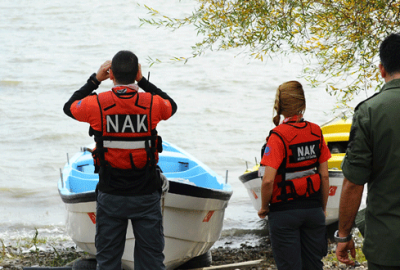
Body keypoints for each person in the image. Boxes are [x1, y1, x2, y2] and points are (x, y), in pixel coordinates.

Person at [63, 50, 177, 270]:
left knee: (107, 262)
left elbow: (69, 107)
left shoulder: (97, 104)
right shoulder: (151, 103)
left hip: (111, 195)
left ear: (111, 74)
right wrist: (143, 81)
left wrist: (95, 80)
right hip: (146, 194)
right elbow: (171, 104)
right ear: (136, 74)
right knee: (152, 262)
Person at [336, 33, 400, 269]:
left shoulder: (369, 112)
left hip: (388, 244)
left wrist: (343, 235)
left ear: (382, 69)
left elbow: (353, 183)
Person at [258, 81, 331, 270]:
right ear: (303, 104)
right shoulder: (316, 132)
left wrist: (264, 207)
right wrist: (322, 208)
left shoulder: (278, 137)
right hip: (313, 210)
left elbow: (267, 180)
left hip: (284, 213)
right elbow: (324, 176)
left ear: (280, 107)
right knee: (314, 265)